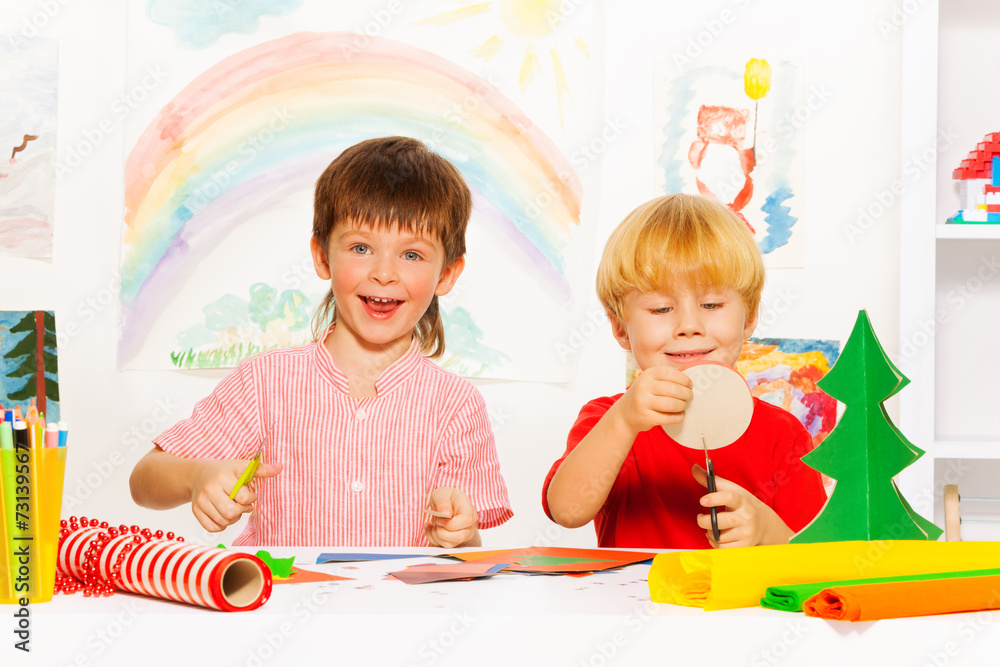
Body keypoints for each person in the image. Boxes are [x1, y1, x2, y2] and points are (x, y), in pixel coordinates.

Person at [130, 136, 512, 548]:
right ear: (322, 256)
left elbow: (467, 553)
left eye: (412, 255)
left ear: (447, 275)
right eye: (361, 247)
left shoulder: (456, 405)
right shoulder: (266, 382)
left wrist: (461, 531)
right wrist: (196, 477)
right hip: (278, 607)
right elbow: (144, 479)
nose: (384, 273)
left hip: (402, 612)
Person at [542, 193, 825, 549]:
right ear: (619, 328)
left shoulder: (783, 435)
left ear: (750, 316)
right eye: (661, 309)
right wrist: (624, 421)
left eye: (711, 304)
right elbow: (567, 512)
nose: (689, 326)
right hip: (635, 603)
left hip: (739, 606)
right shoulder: (609, 420)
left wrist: (769, 533)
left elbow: (816, 559)